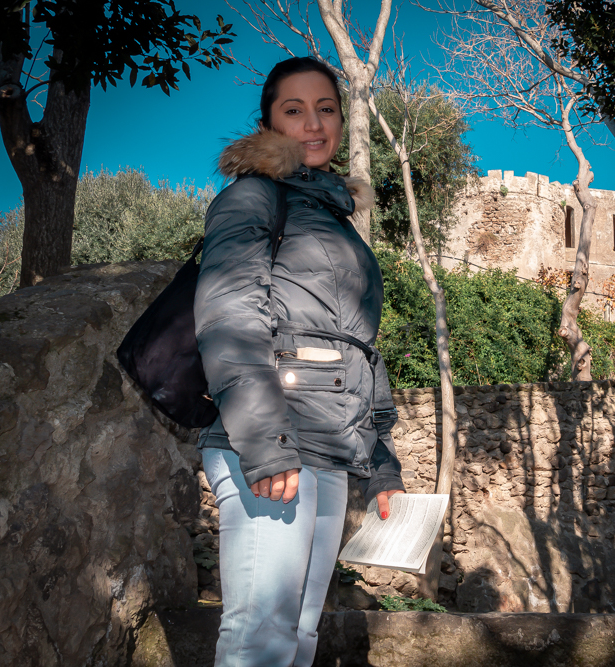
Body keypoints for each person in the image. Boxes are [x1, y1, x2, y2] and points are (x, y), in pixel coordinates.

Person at [194, 57, 406, 667]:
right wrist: (266, 444)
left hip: (330, 449)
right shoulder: (254, 196)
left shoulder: (333, 217)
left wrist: (382, 466)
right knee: (260, 635)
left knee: (300, 633)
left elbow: (357, 351)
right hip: (272, 441)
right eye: (295, 110)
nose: (314, 123)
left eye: (326, 109)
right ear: (267, 123)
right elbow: (230, 316)